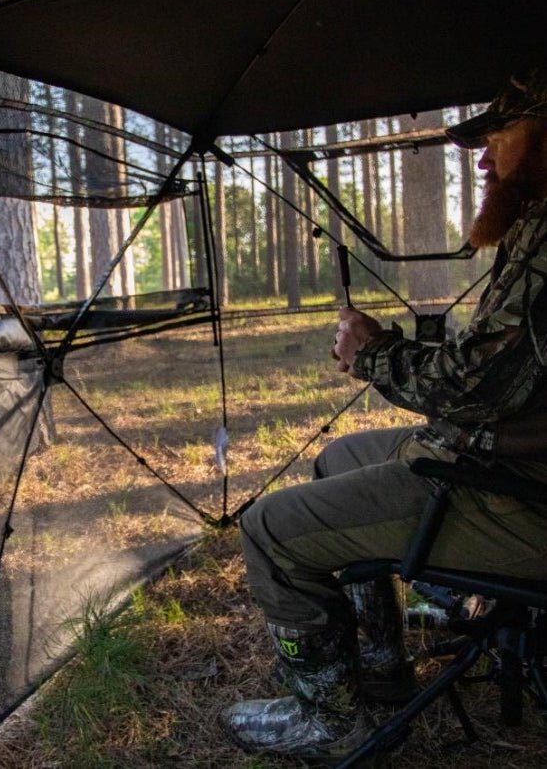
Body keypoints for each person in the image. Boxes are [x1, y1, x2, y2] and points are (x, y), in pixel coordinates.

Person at [222, 67, 547, 762]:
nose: (483, 158)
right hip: (502, 457)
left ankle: (329, 716)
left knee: (268, 527)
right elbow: (504, 368)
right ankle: (379, 665)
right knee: (335, 457)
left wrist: (374, 353)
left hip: (521, 493)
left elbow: (477, 388)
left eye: (499, 137)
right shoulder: (533, 225)